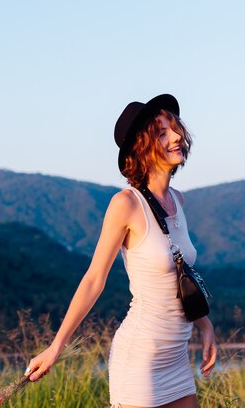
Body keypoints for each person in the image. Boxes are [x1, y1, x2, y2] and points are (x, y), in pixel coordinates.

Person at [24, 94, 218, 408]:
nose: (177, 136)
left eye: (176, 128)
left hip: (177, 359)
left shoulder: (179, 201)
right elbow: (93, 280)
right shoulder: (126, 204)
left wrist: (205, 326)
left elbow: (180, 278)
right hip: (140, 361)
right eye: (162, 132)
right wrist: (55, 347)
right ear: (142, 147)